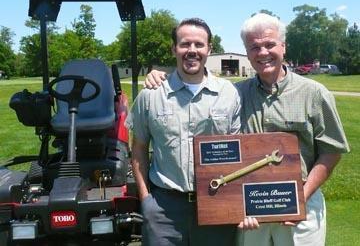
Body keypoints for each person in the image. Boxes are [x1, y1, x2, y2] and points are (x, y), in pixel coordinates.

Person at [144, 13, 350, 246]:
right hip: (248, 205)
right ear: (247, 52)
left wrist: (302, 196)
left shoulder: (314, 93)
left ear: (283, 46)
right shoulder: (235, 93)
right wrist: (160, 76)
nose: (263, 53)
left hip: (301, 202)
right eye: (254, 47)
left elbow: (331, 151)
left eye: (269, 44)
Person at [125, 18, 241, 246]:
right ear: (174, 49)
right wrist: (146, 199)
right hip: (164, 209)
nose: (192, 51)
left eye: (199, 45)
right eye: (185, 44)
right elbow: (138, 149)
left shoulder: (229, 93)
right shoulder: (151, 95)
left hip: (216, 204)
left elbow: (238, 151)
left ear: (210, 49)